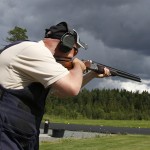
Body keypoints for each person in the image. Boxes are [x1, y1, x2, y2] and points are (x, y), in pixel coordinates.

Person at [0, 22, 110, 150]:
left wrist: (91, 75)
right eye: (75, 50)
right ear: (66, 43)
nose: (75, 55)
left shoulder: (37, 55)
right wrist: (79, 66)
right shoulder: (34, 51)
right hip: (6, 131)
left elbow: (61, 92)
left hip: (18, 132)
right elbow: (72, 89)